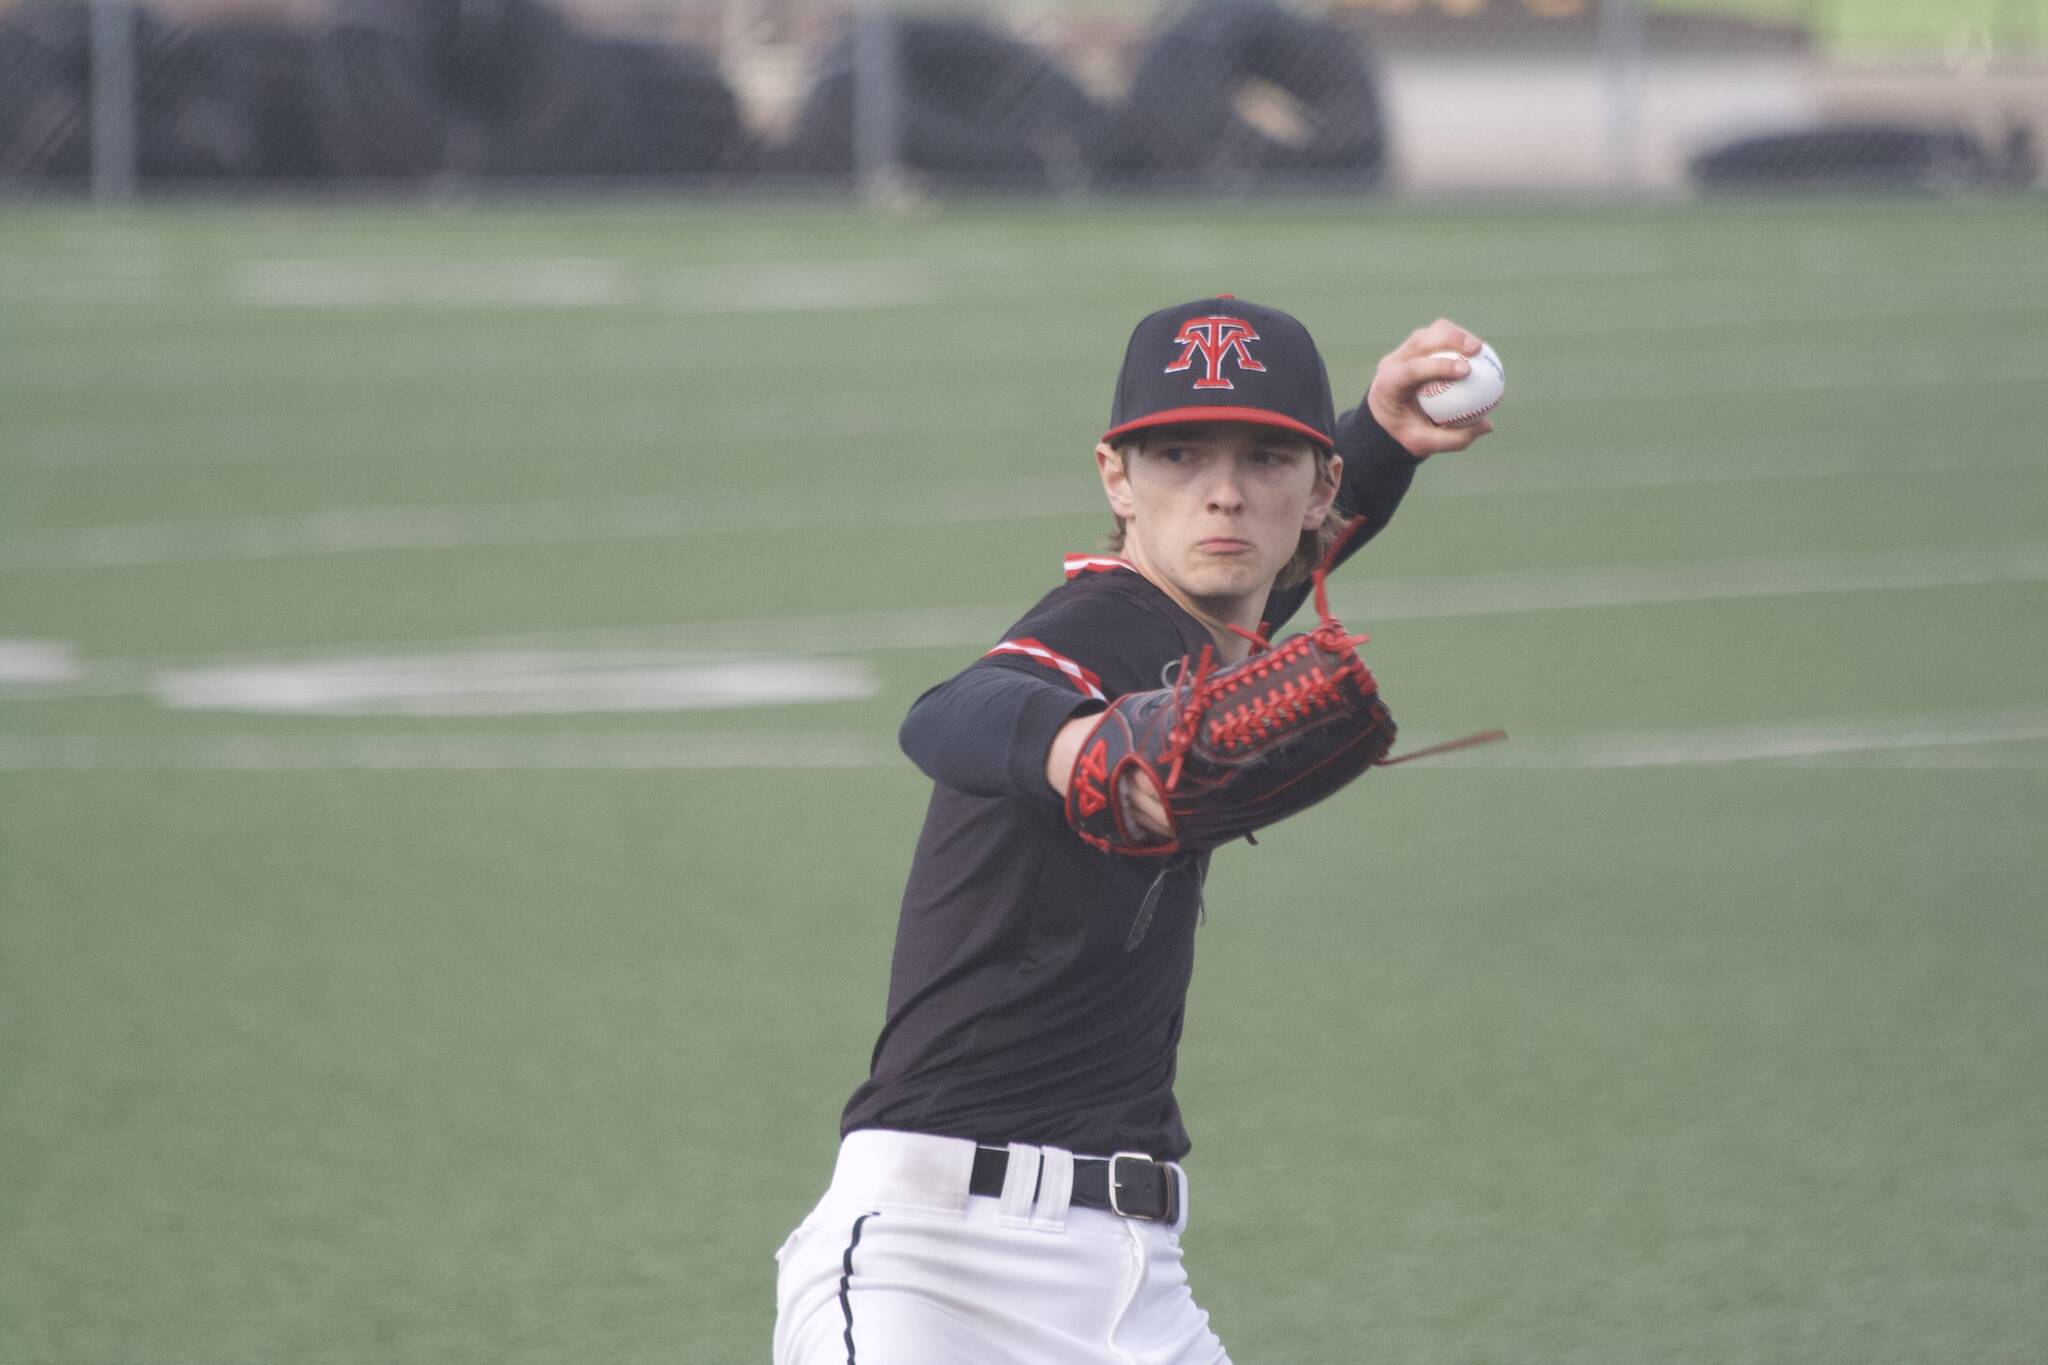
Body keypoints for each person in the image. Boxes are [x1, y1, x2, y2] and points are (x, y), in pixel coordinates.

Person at [773, 297, 1494, 1364]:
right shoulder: (1097, 624)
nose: (1221, 491)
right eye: (1179, 455)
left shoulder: (1202, 631)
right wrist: (1086, 757)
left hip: (1131, 1283)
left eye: (1265, 459)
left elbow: (1266, 566)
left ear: (1317, 489)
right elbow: (951, 713)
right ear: (1115, 478)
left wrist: (1382, 438)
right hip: (929, 1269)